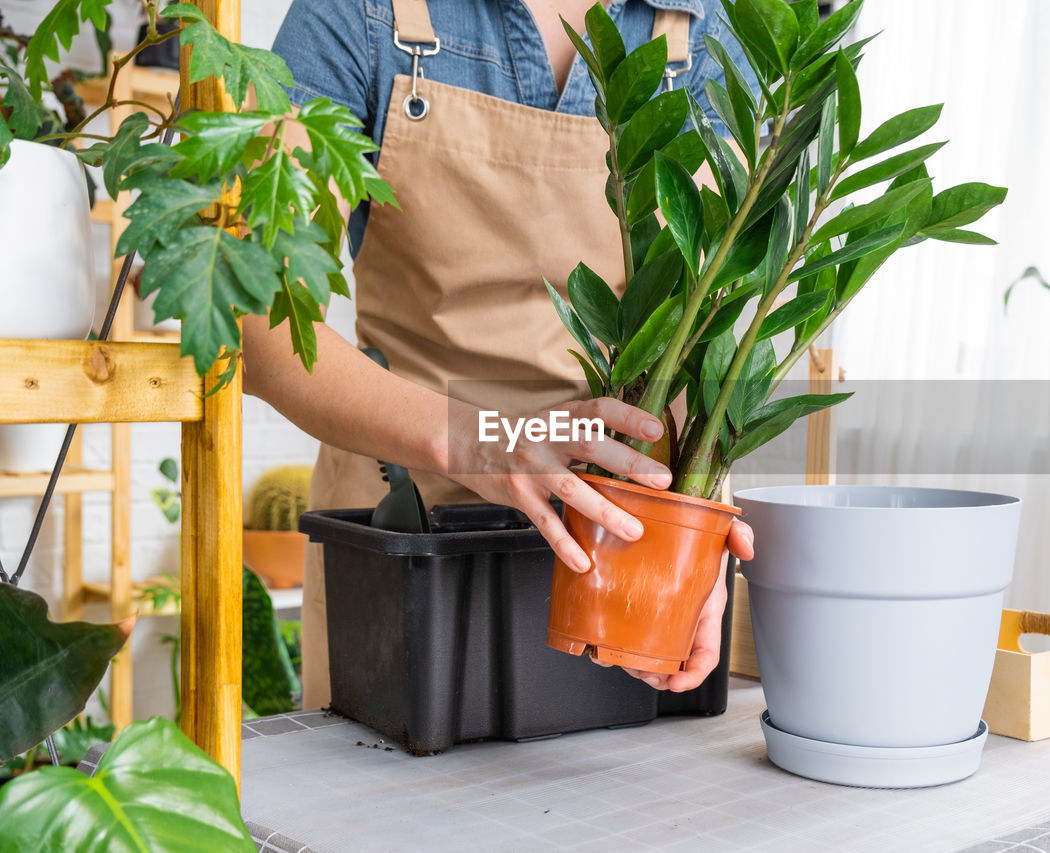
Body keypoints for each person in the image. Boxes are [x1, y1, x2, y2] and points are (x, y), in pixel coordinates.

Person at [250, 0, 755, 709]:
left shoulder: (710, 30)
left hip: (627, 568)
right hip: (409, 556)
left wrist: (705, 520)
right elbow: (252, 321)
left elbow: (714, 326)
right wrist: (486, 437)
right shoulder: (359, 12)